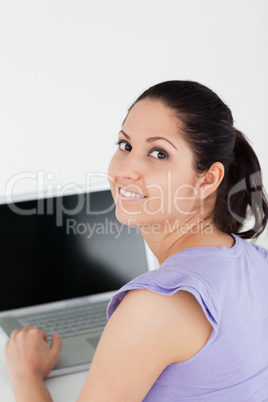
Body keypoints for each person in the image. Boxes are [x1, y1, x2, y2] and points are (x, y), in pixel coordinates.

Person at [4, 80, 268, 401]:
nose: (126, 170)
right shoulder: (258, 260)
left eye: (159, 153)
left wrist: (25, 375)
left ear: (207, 179)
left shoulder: (156, 306)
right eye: (125, 145)